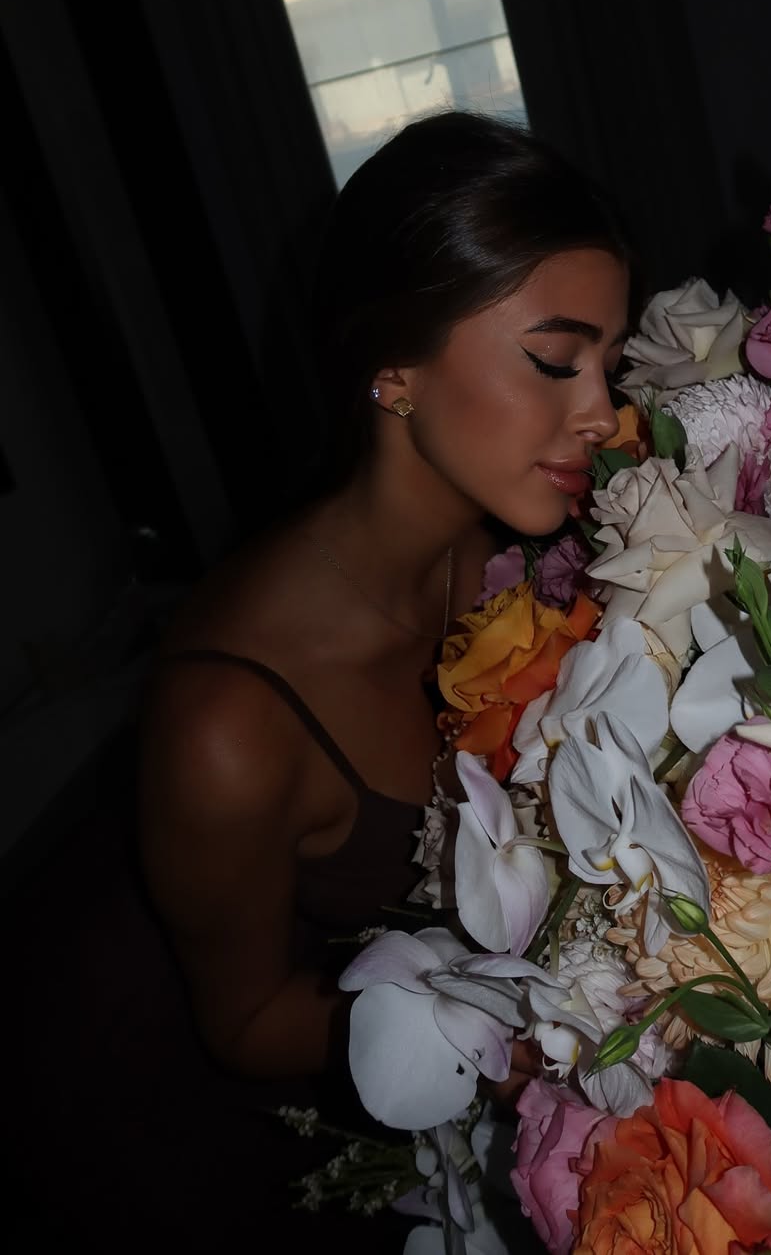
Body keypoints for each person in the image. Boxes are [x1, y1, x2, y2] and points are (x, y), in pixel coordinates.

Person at [128, 110, 635, 1246]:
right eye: (556, 361)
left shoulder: (510, 552)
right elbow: (243, 1020)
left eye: (608, 361)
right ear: (395, 369)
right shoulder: (229, 726)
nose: (601, 413)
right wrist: (489, 1024)